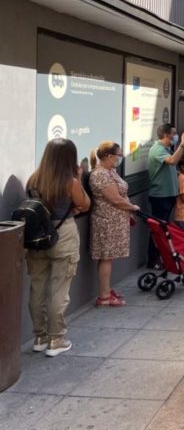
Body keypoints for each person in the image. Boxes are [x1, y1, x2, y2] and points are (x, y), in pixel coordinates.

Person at [25, 138, 91, 357]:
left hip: (37, 236)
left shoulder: (34, 179)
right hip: (63, 234)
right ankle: (56, 339)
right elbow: (85, 204)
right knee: (59, 289)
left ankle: (39, 337)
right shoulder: (70, 181)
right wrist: (79, 178)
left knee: (37, 288)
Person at [89, 141, 140, 308]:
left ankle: (107, 289)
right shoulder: (100, 175)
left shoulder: (111, 171)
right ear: (109, 156)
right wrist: (132, 207)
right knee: (106, 257)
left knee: (109, 257)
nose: (120, 158)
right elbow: (115, 199)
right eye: (118, 156)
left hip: (116, 221)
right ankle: (104, 295)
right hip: (107, 222)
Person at [147, 123, 184, 267]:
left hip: (169, 195)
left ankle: (162, 257)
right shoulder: (157, 149)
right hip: (160, 196)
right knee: (159, 229)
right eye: (174, 133)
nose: (176, 136)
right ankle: (154, 260)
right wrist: (183, 144)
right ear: (166, 135)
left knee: (164, 229)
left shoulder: (166, 149)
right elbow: (172, 161)